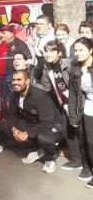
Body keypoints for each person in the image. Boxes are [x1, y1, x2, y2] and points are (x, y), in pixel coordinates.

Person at [0, 70, 63, 173]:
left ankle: (51, 157)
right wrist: (14, 129)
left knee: (43, 137)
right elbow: (12, 114)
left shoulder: (39, 96)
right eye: (13, 80)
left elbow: (47, 123)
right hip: (34, 123)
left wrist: (28, 133)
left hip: (54, 126)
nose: (15, 82)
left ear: (27, 81)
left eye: (19, 80)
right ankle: (37, 149)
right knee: (5, 126)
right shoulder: (15, 94)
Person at [40, 40, 83, 172]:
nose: (48, 54)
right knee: (67, 130)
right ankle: (78, 160)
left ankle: (86, 160)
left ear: (59, 53)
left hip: (78, 102)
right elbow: (46, 87)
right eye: (46, 51)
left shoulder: (69, 63)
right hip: (64, 103)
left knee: (82, 132)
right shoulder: (47, 68)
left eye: (52, 51)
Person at [68, 37, 93, 186]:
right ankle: (88, 168)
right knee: (86, 140)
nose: (77, 53)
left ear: (91, 50)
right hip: (87, 105)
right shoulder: (75, 68)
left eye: (81, 50)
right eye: (75, 50)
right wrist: (73, 116)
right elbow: (73, 94)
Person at [0, 25, 32, 108]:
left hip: (14, 80)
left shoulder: (20, 45)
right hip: (1, 80)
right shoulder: (0, 46)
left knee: (12, 103)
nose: (1, 35)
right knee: (2, 102)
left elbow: (28, 61)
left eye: (3, 33)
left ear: (11, 34)